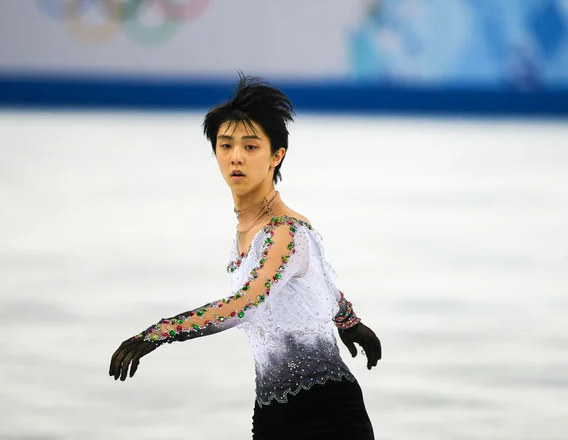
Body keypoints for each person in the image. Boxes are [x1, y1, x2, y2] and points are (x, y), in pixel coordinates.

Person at [109, 74, 382, 439]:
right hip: (273, 411)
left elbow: (243, 306)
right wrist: (347, 320)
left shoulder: (284, 232)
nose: (235, 157)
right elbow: (320, 284)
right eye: (225, 145)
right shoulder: (251, 228)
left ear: (276, 156)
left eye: (250, 147)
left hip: (326, 414)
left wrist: (160, 332)